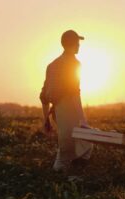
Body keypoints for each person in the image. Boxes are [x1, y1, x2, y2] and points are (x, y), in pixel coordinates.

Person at [40, 30, 93, 172]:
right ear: (72, 44)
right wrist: (81, 120)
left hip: (58, 111)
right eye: (77, 43)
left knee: (67, 144)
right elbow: (74, 92)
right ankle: (70, 176)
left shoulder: (52, 65)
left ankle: (64, 173)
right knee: (83, 142)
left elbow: (44, 96)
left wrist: (46, 119)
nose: (79, 46)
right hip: (70, 109)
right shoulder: (75, 64)